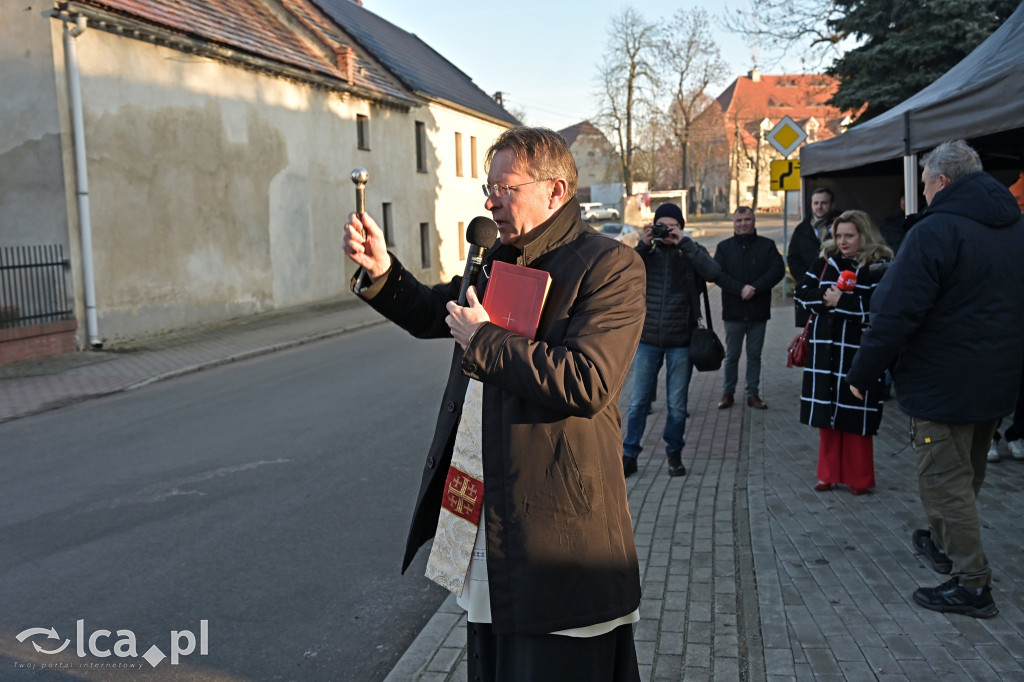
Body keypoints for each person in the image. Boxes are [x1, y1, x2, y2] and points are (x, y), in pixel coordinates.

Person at [343, 127, 646, 680]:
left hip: (557, 519)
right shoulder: (497, 261)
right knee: (493, 655)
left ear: (556, 190)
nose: (490, 202)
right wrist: (384, 273)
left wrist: (484, 341)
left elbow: (588, 380)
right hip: (490, 511)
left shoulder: (610, 266)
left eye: (505, 188)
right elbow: (441, 313)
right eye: (489, 188)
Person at [847, 140, 1024, 619]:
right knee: (967, 474)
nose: (922, 194)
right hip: (998, 378)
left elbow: (896, 310)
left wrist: (863, 371)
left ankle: (971, 583)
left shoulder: (936, 230)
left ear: (941, 182)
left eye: (923, 184)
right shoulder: (1013, 224)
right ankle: (946, 541)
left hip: (943, 381)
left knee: (945, 482)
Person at [794, 210, 892, 495]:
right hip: (825, 353)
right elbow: (801, 293)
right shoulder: (826, 261)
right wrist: (826, 299)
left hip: (859, 352)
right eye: (839, 236)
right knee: (827, 417)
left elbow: (882, 309)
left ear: (864, 234)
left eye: (849, 235)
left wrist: (845, 303)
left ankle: (859, 479)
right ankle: (827, 475)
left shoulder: (879, 265)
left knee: (856, 417)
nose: (843, 241)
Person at [621, 202, 720, 478]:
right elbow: (622, 272)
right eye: (662, 225)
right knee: (638, 402)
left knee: (677, 405)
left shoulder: (689, 251)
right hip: (647, 339)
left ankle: (674, 455)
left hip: (681, 341)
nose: (667, 230)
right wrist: (643, 244)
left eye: (672, 226)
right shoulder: (647, 253)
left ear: (681, 227)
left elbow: (713, 273)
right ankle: (629, 455)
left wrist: (684, 243)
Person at [713, 206, 785, 410]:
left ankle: (752, 394)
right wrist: (739, 289)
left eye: (747, 219)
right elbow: (718, 274)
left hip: (758, 310)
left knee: (754, 355)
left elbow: (777, 270)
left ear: (754, 221)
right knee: (732, 355)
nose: (743, 224)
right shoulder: (723, 247)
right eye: (739, 220)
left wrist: (756, 288)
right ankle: (728, 392)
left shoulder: (767, 246)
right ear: (733, 223)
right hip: (733, 311)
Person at [787, 187, 840, 326]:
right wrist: (807, 279)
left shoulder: (842, 226)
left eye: (824, 203)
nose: (819, 207)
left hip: (835, 290)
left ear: (832, 204)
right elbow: (793, 258)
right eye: (816, 203)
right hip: (809, 291)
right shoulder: (802, 229)